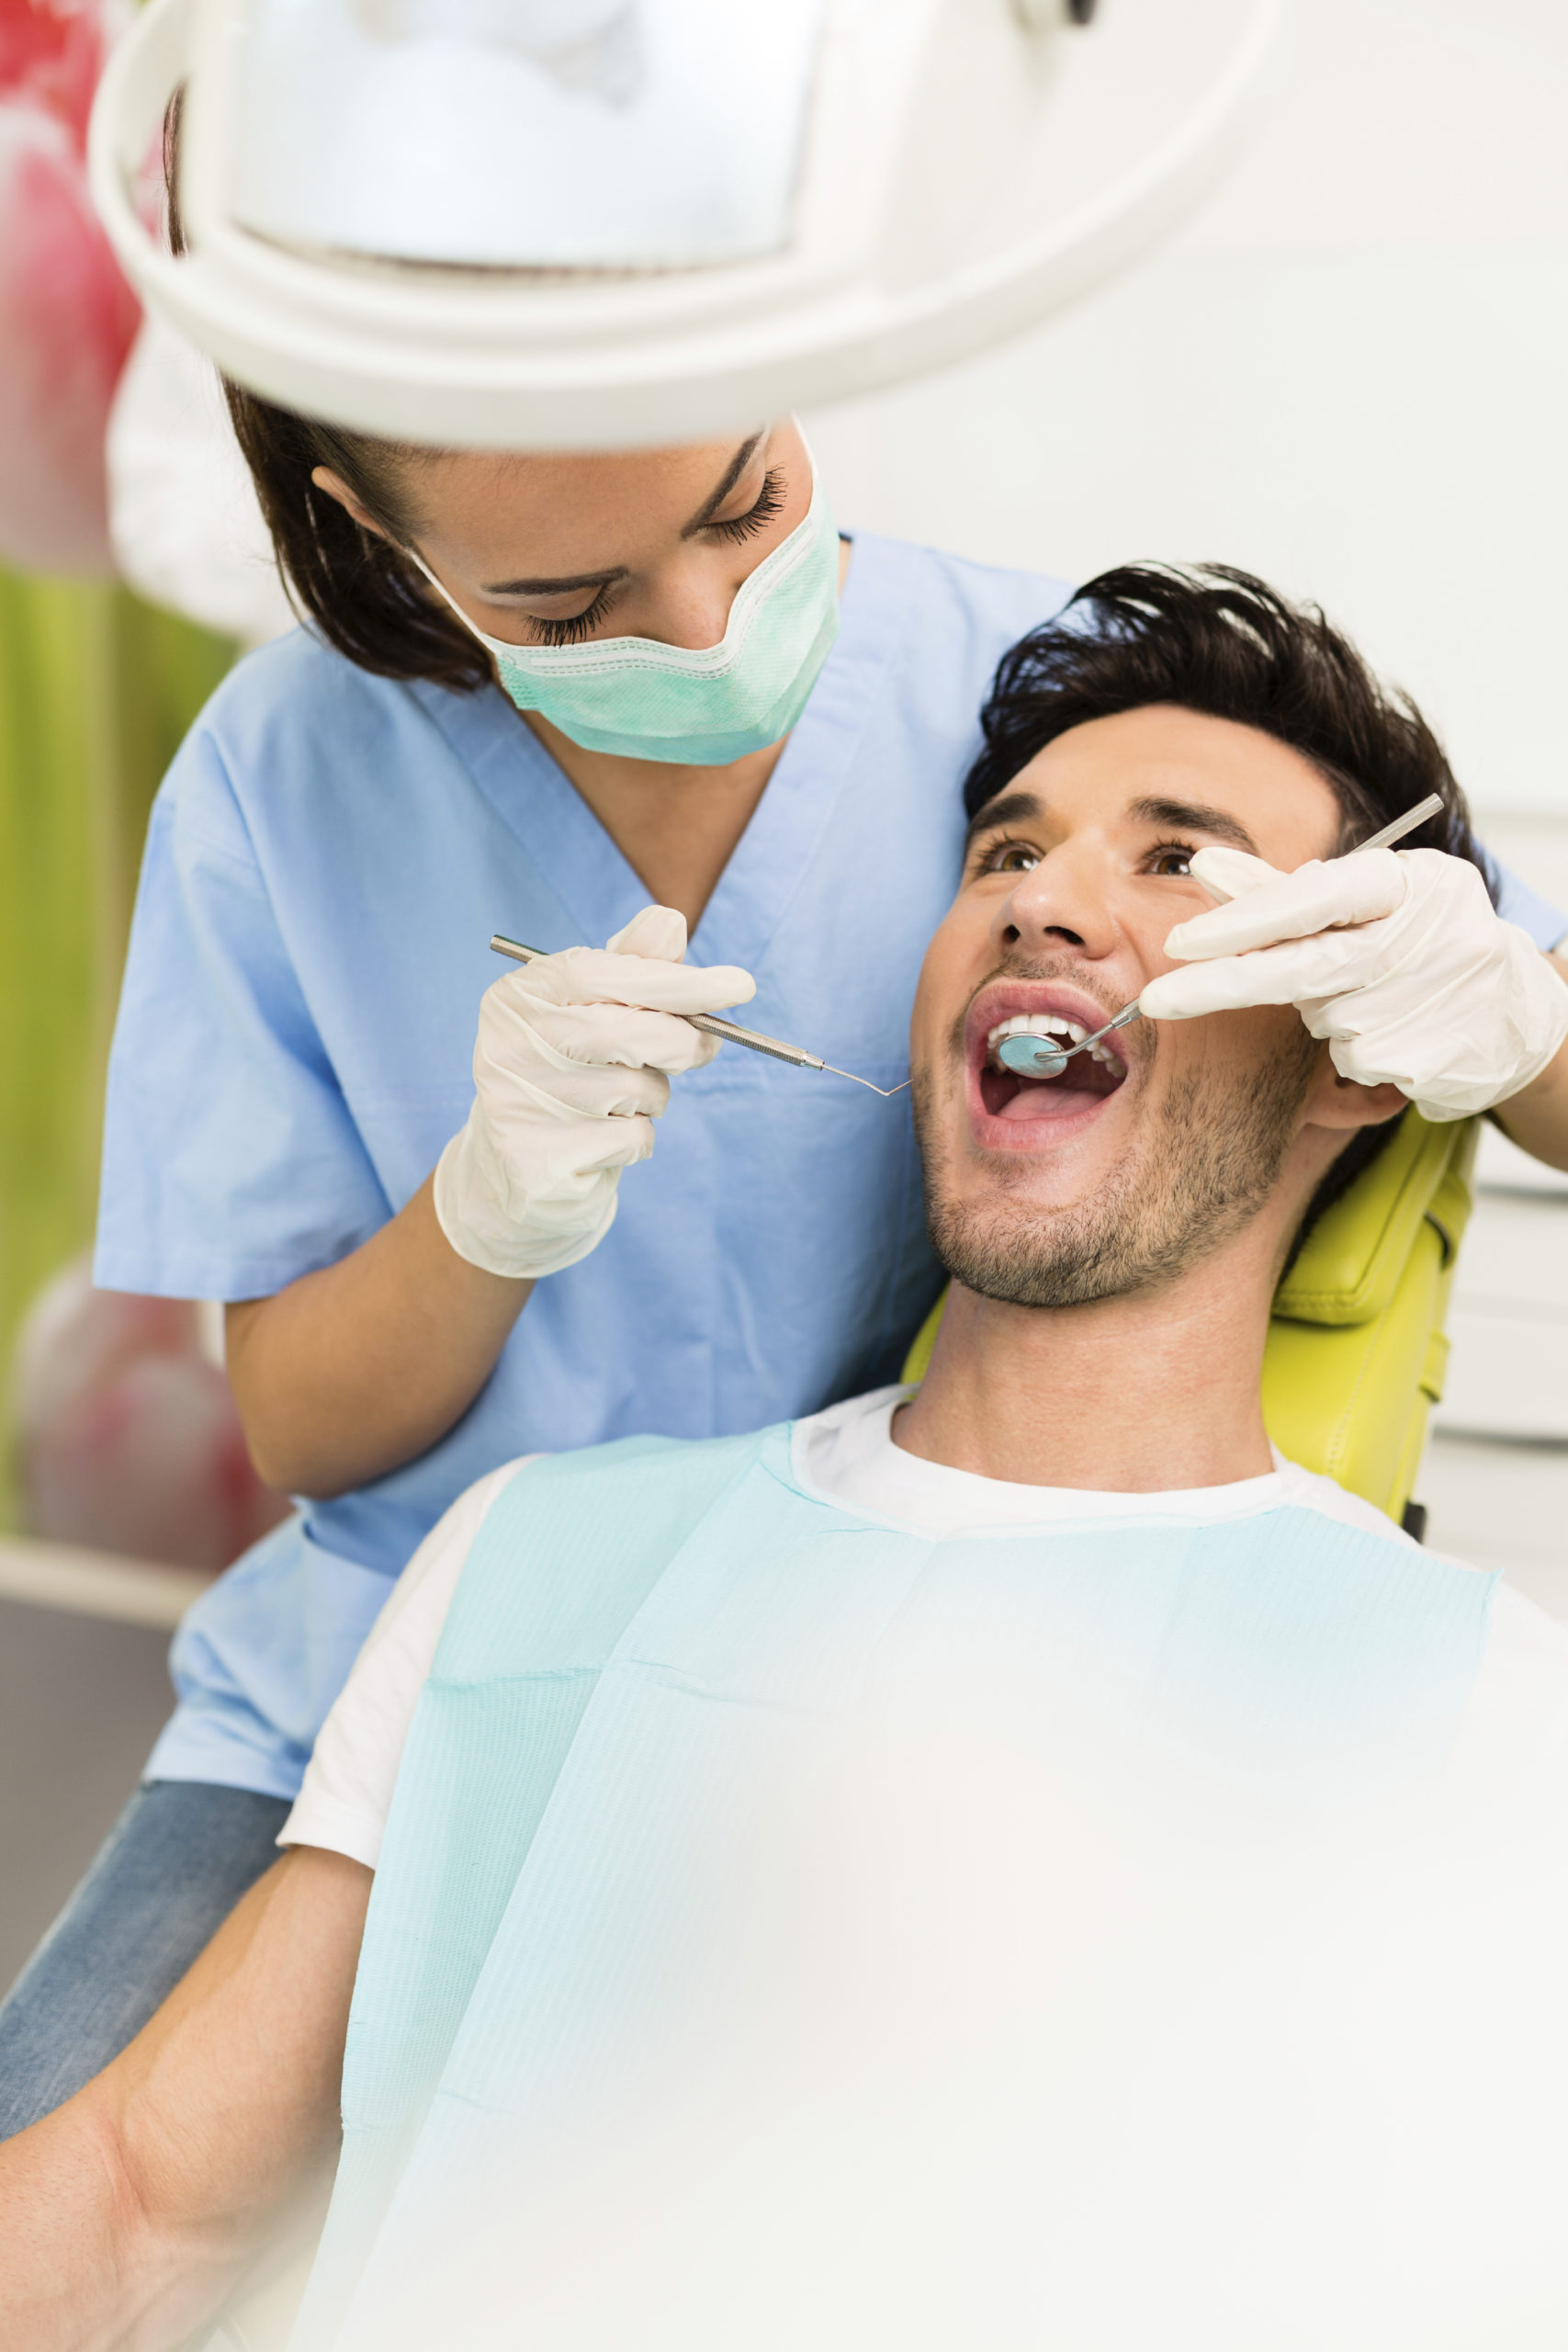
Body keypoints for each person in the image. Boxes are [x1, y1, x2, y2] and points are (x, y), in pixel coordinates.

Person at [7, 569, 1568, 2352]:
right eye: (998, 852)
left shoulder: (1483, 1716)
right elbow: (139, 2207)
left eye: (1176, 861)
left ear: (1357, 1045)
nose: (1040, 898)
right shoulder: (532, 1563)